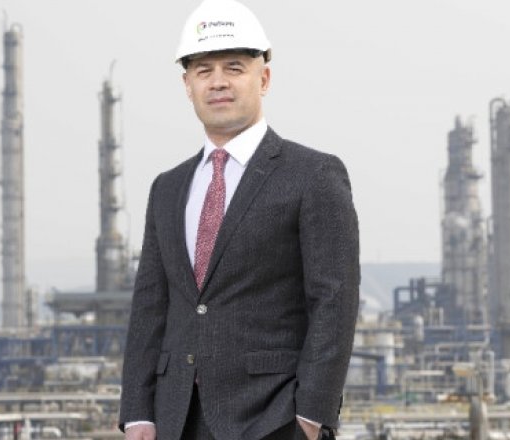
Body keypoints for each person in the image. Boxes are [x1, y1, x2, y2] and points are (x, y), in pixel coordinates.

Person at [118, 0, 360, 438]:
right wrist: (138, 413)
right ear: (187, 85)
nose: (218, 82)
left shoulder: (313, 175)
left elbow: (334, 301)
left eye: (234, 67)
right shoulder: (168, 188)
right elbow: (150, 306)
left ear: (263, 78)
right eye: (203, 70)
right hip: (176, 419)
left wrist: (311, 416)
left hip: (273, 417)